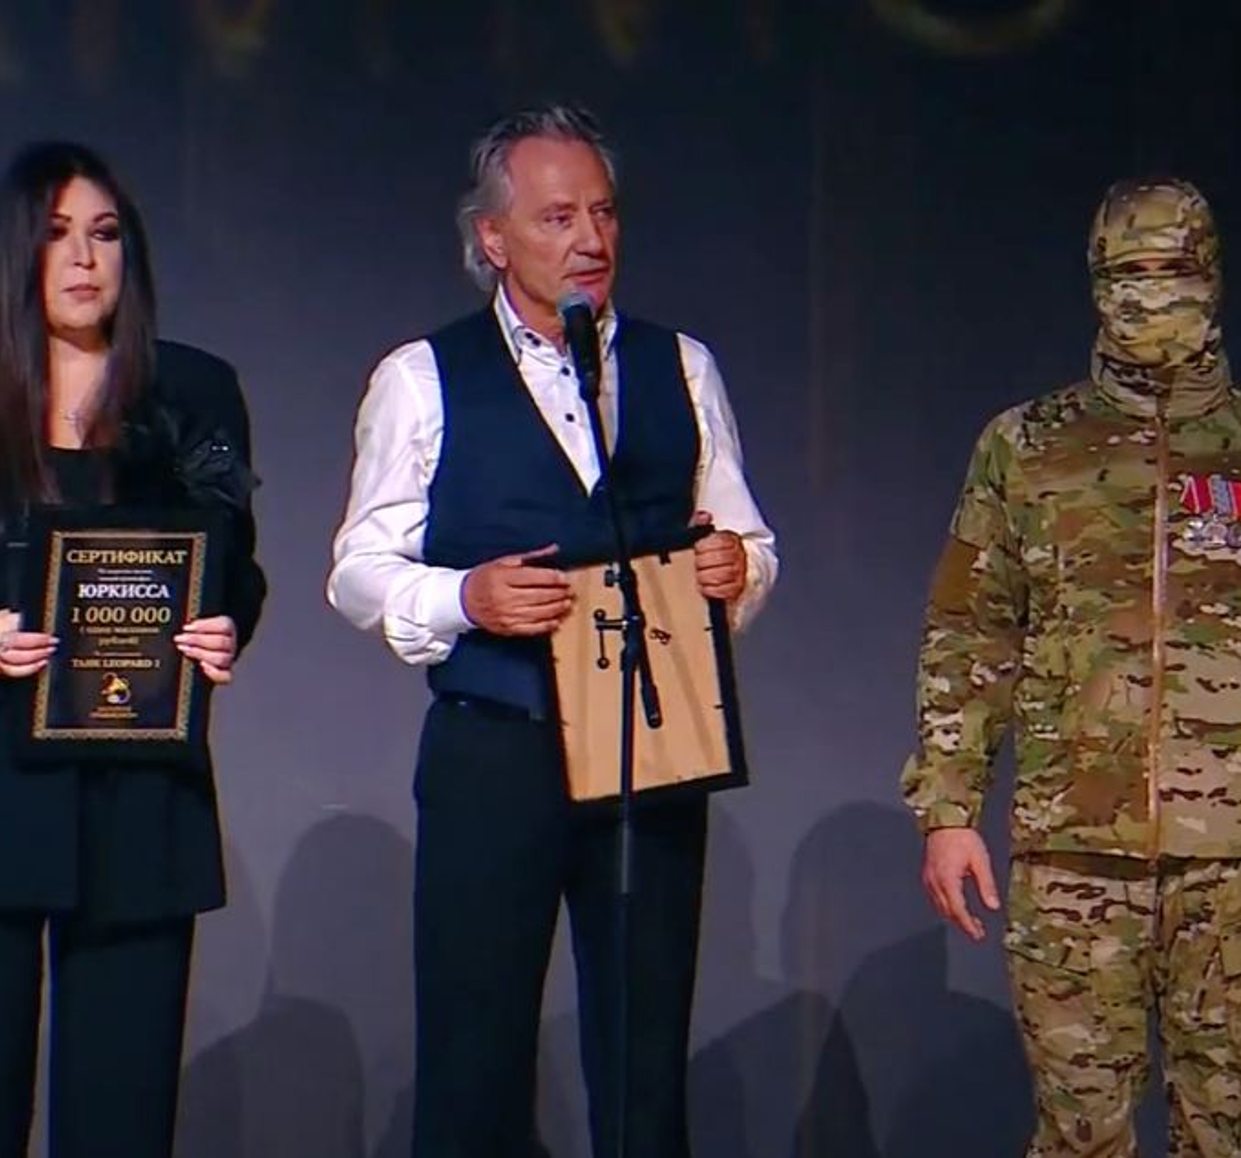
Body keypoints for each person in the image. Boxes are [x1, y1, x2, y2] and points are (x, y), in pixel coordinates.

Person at [902, 177, 1241, 1157]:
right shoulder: (1027, 448)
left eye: (1172, 270)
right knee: (1078, 1137)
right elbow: (970, 632)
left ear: (1212, 278)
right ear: (1095, 283)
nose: (1151, 293)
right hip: (1072, 855)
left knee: (1233, 1134)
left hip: (1238, 861)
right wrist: (948, 809)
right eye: (1129, 272)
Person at [327, 103, 777, 1157]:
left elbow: (747, 542)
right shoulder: (422, 377)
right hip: (498, 746)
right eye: (558, 217)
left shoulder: (680, 367)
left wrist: (734, 571)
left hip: (652, 744)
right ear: (493, 238)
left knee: (643, 1060)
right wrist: (465, 598)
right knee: (476, 1060)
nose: (590, 240)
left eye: (604, 214)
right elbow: (358, 569)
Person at [0, 142, 266, 1158]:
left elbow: (232, 563)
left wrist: (224, 623)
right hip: (3, 785)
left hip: (141, 793)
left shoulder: (192, 390)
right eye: (56, 235)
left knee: (121, 1121)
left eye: (105, 234)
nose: (84, 259)